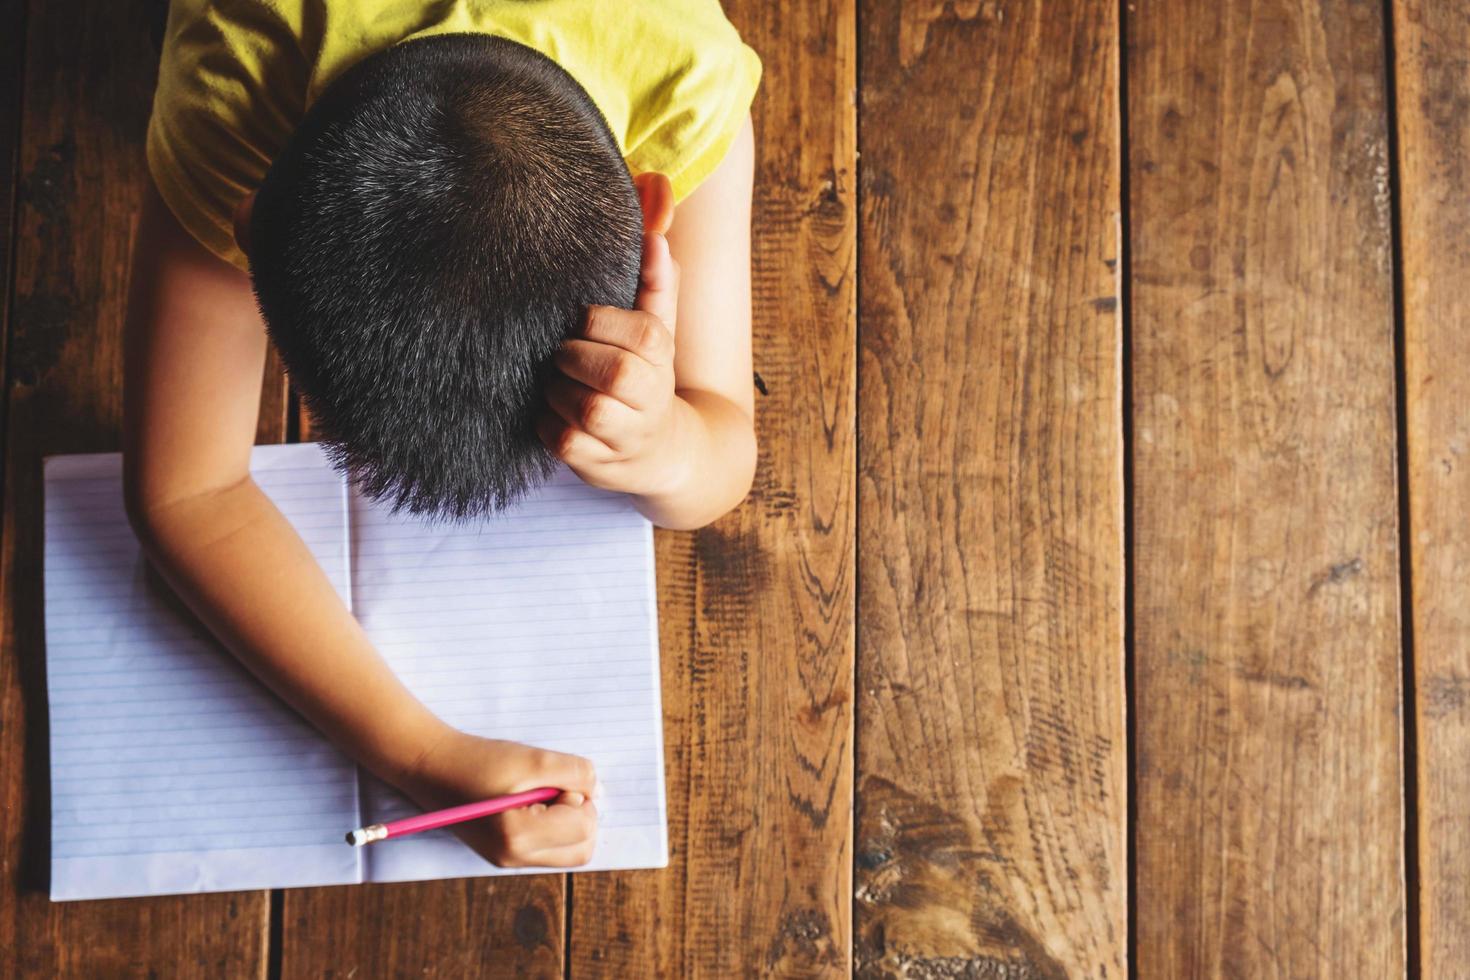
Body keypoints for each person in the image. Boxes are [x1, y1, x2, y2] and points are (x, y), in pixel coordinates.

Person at [123, 1, 760, 870]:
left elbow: (720, 453)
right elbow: (184, 493)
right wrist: (415, 752)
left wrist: (668, 445)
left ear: (652, 208)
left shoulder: (688, 82)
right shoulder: (228, 92)